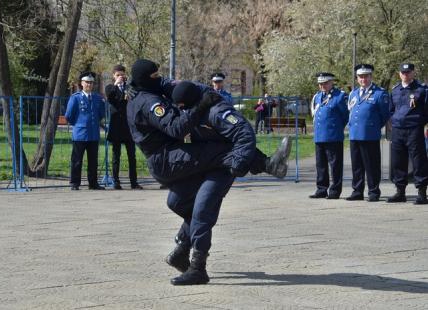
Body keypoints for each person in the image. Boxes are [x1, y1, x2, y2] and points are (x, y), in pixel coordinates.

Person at [126, 60, 291, 285]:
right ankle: (268, 164)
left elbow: (169, 85)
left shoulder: (146, 91)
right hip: (167, 158)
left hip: (177, 159)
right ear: (146, 79)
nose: (160, 79)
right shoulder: (148, 101)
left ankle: (186, 253)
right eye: (155, 76)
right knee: (223, 151)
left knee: (183, 203)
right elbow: (176, 128)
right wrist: (202, 105)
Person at [346, 64, 391, 202]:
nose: (363, 79)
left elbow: (385, 115)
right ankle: (357, 191)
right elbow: (351, 112)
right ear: (357, 78)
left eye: (366, 76)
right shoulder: (353, 93)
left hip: (369, 134)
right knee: (357, 165)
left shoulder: (379, 93)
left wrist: (373, 126)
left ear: (371, 77)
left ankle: (373, 191)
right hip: (354, 134)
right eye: (361, 77)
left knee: (371, 165)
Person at [387, 63, 428, 204]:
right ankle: (400, 192)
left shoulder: (421, 90)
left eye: (408, 72)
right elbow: (391, 110)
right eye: (403, 72)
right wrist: (394, 121)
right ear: (399, 74)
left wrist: (419, 123)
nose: (405, 75)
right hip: (398, 130)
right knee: (398, 161)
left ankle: (422, 192)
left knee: (418, 161)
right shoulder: (395, 90)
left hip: (414, 130)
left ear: (413, 73)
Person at [309, 73, 349, 199]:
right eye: (320, 84)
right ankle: (321, 189)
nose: (322, 86)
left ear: (332, 82)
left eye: (325, 83)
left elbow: (345, 116)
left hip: (333, 136)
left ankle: (335, 191)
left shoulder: (340, 96)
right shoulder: (317, 97)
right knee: (321, 165)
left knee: (335, 165)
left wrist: (336, 128)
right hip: (319, 135)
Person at [65, 72, 106, 191]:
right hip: (80, 134)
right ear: (82, 83)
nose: (89, 84)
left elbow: (101, 114)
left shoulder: (98, 98)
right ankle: (74, 183)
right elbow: (69, 115)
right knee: (77, 160)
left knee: (93, 161)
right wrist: (78, 125)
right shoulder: (76, 97)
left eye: (91, 82)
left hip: (93, 134)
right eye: (87, 82)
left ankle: (93, 183)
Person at [105, 65, 142, 190]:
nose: (121, 77)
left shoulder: (129, 88)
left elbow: (134, 100)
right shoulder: (110, 87)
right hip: (116, 127)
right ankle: (116, 181)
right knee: (116, 156)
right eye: (118, 75)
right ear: (113, 76)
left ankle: (134, 182)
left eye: (122, 75)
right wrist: (116, 84)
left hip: (128, 127)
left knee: (132, 156)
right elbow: (110, 98)